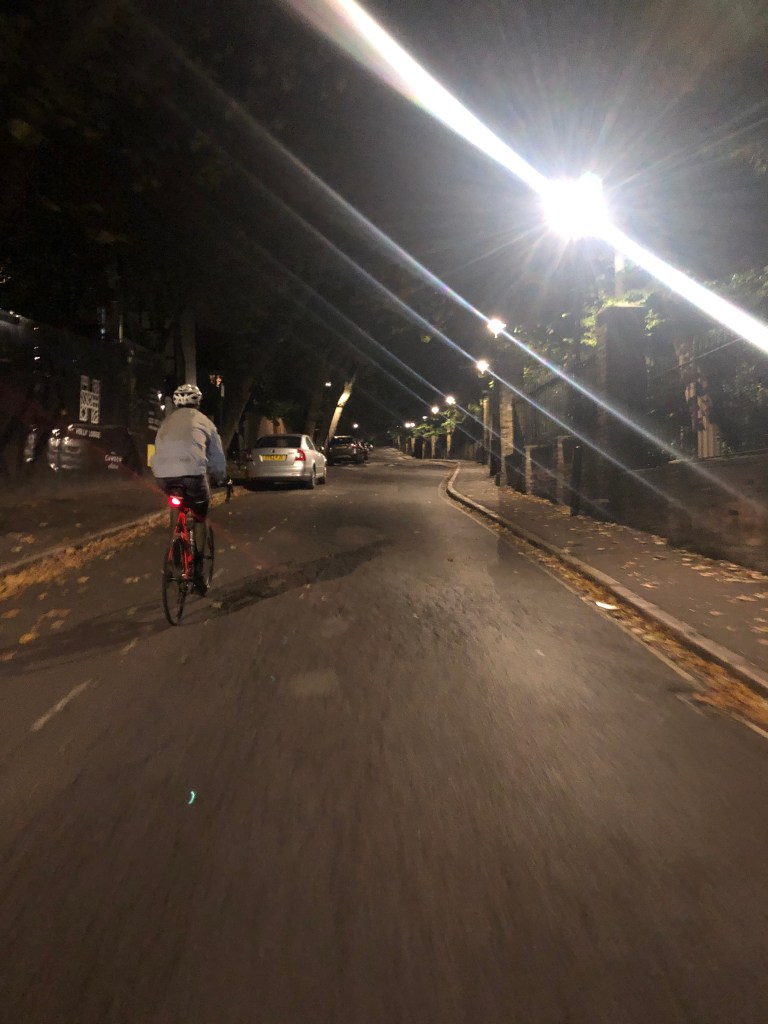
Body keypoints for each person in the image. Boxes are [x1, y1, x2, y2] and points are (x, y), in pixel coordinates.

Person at [151, 383, 227, 584]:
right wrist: (221, 477)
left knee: (175, 503)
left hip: (163, 476)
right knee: (200, 516)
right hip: (192, 476)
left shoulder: (165, 423)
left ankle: (175, 544)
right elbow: (217, 458)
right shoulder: (205, 422)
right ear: (198, 403)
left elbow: (158, 449)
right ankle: (199, 568)